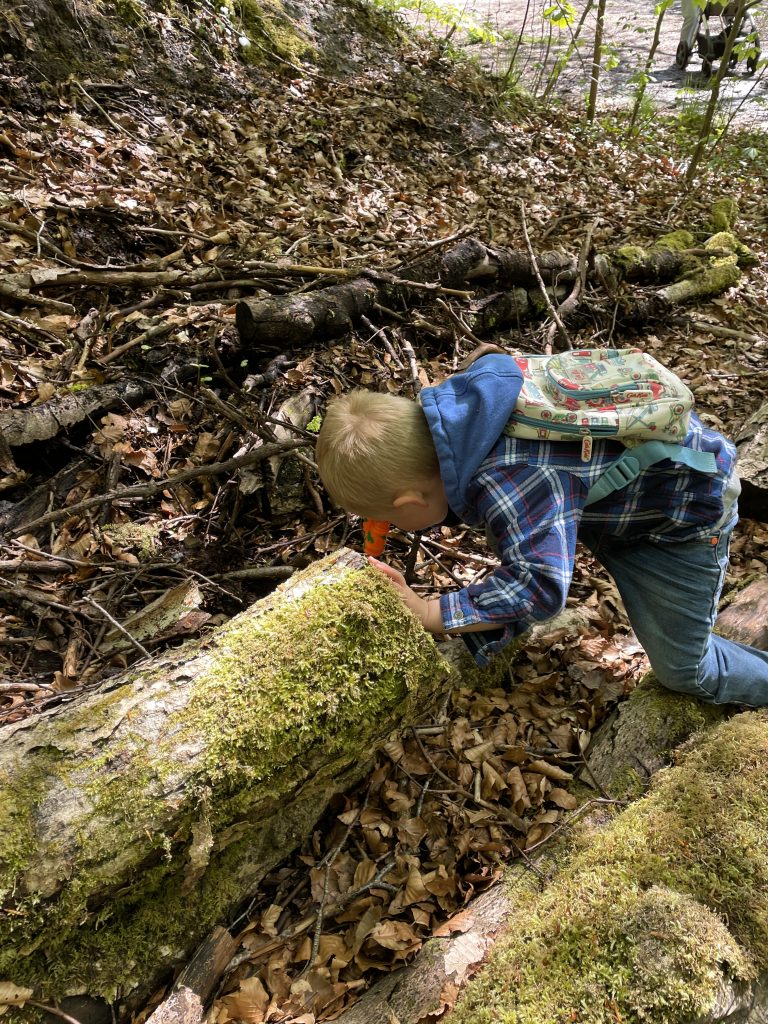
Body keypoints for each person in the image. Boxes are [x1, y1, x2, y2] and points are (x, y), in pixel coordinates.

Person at [316, 351, 768, 707]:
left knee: (687, 670)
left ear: (410, 501)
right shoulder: (462, 415)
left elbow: (538, 587)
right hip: (627, 495)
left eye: (391, 520)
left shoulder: (511, 477)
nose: (390, 528)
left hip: (679, 519)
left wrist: (433, 613)